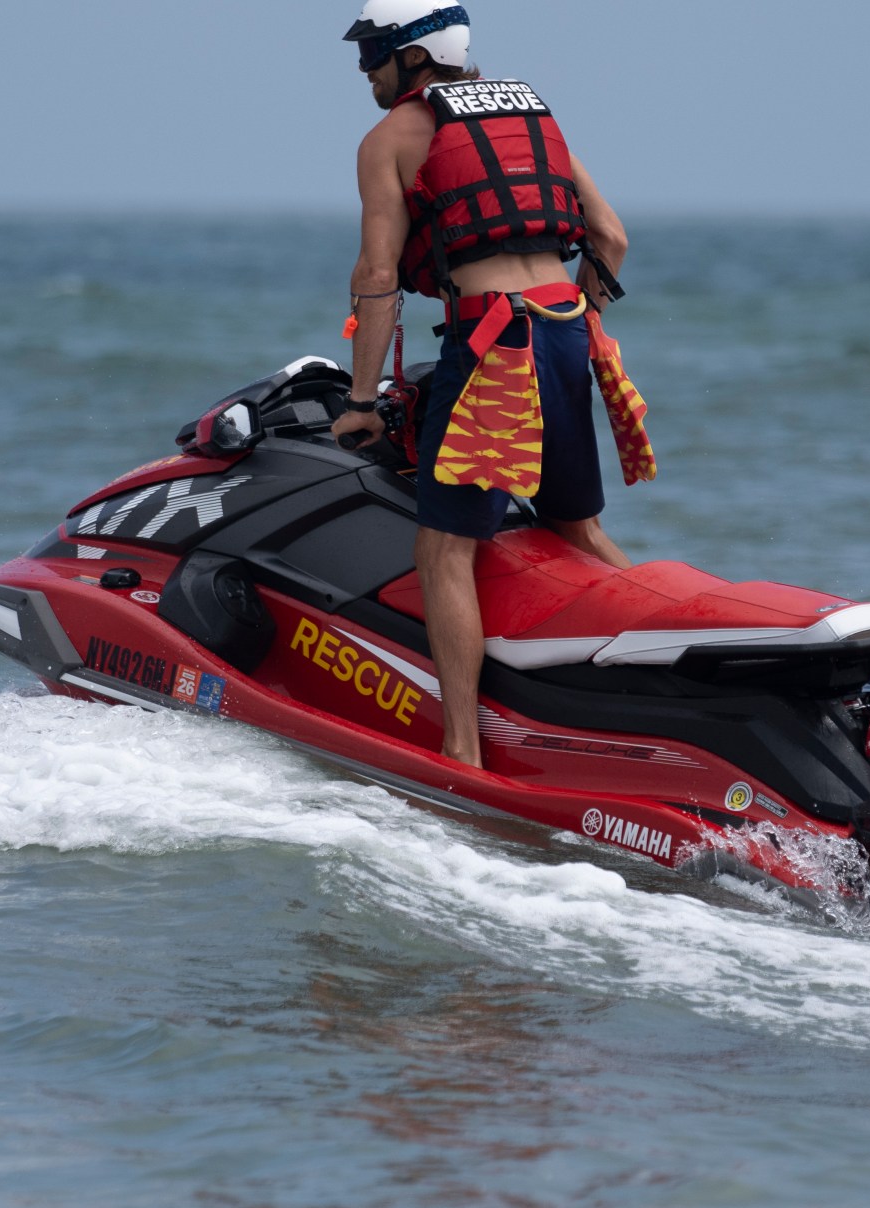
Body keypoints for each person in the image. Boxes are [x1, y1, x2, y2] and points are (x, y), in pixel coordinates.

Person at [326, 1, 655, 770]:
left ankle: (462, 753)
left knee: (445, 548)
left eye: (372, 52)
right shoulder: (531, 113)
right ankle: (680, 643)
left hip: (492, 349)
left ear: (412, 57)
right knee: (579, 529)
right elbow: (611, 238)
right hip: (567, 329)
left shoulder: (390, 140)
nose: (364, 70)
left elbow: (377, 276)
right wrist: (581, 319)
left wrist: (362, 404)